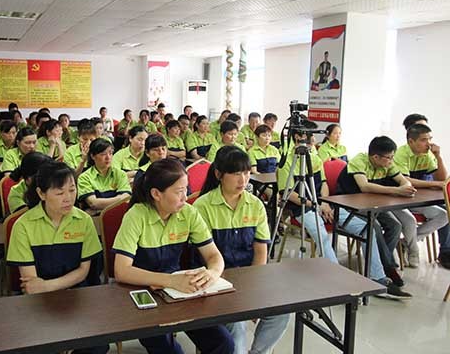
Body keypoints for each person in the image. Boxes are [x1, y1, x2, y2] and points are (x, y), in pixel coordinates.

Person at [113, 158, 235, 354]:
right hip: (142, 289)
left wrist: (212, 273)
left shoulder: (189, 213)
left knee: (223, 343)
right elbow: (122, 271)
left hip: (177, 291)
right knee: (168, 350)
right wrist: (171, 281)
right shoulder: (136, 215)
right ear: (156, 194)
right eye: (179, 192)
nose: (185, 197)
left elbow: (213, 255)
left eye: (186, 189)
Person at [279, 133, 411, 298]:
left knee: (367, 229)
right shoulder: (286, 163)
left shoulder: (315, 159)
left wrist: (325, 203)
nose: (308, 146)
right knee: (322, 236)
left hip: (326, 205)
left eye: (310, 142)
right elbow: (288, 194)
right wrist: (315, 205)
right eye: (304, 142)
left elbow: (324, 184)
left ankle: (377, 277)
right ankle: (337, 280)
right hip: (303, 209)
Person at [194, 147, 289, 354]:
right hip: (217, 281)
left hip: (249, 279)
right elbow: (207, 256)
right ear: (219, 174)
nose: (243, 180)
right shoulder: (202, 206)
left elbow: (260, 251)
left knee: (282, 310)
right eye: (236, 173)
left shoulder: (255, 204)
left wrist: (252, 289)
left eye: (246, 173)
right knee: (236, 323)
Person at [6, 162, 108, 354]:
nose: (68, 198)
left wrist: (47, 285)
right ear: (41, 193)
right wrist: (43, 289)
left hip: (77, 295)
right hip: (39, 302)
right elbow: (31, 284)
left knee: (96, 346)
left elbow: (83, 272)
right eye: (60, 193)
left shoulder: (84, 220)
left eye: (72, 190)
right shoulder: (23, 225)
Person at [336, 136, 418, 288]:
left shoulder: (387, 163)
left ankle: (381, 262)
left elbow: (403, 180)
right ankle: (388, 267)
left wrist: (406, 186)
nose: (391, 161)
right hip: (350, 205)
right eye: (389, 158)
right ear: (375, 157)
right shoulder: (359, 161)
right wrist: (397, 190)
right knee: (374, 227)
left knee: (395, 225)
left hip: (373, 205)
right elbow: (364, 186)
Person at [393, 124, 448, 267]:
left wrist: (438, 156)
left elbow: (442, 179)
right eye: (424, 140)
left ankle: (407, 242)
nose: (428, 144)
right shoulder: (401, 153)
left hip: (415, 199)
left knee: (444, 215)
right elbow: (405, 180)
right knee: (410, 221)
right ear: (411, 141)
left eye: (430, 139)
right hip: (397, 199)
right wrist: (434, 184)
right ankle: (414, 250)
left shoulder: (428, 154)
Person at [77, 139, 131, 212]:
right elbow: (94, 203)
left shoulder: (120, 174)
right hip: (95, 217)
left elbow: (127, 198)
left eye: (110, 153)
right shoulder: (84, 177)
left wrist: (101, 204)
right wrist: (120, 199)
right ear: (92, 156)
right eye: (103, 154)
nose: (108, 157)